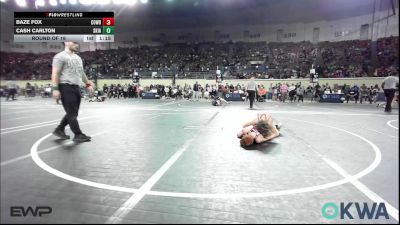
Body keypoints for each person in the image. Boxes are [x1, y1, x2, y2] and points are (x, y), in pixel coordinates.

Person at [51, 42, 94, 142]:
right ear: (66, 42)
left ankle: (59, 129)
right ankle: (78, 134)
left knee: (73, 112)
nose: (77, 44)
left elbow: (81, 73)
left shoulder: (78, 58)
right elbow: (55, 74)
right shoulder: (59, 57)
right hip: (65, 86)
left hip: (76, 87)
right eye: (74, 42)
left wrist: (87, 84)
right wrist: (55, 89)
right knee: (72, 113)